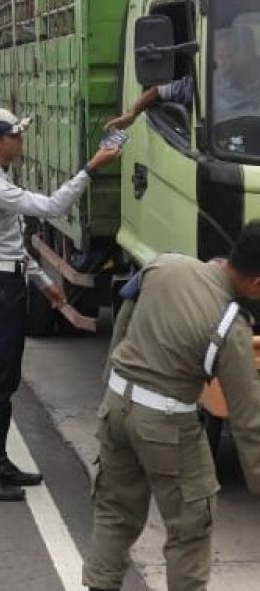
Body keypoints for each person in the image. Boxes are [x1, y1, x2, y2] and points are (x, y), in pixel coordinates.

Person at [83, 228, 260, 591]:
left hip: (116, 407)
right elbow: (248, 420)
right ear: (257, 282)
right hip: (166, 424)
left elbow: (124, 323)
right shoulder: (232, 326)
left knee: (115, 512)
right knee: (190, 528)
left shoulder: (164, 265)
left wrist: (110, 385)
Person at [0, 108, 122, 501]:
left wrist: (44, 283)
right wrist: (91, 167)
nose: (22, 139)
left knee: (7, 377)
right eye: (16, 134)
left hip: (8, 281)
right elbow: (51, 207)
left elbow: (11, 245)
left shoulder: (0, 177)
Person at [108, 26, 260, 145]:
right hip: (226, 151)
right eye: (221, 56)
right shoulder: (201, 83)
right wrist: (132, 114)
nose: (226, 62)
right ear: (214, 58)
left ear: (244, 55)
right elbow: (158, 91)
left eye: (231, 56)